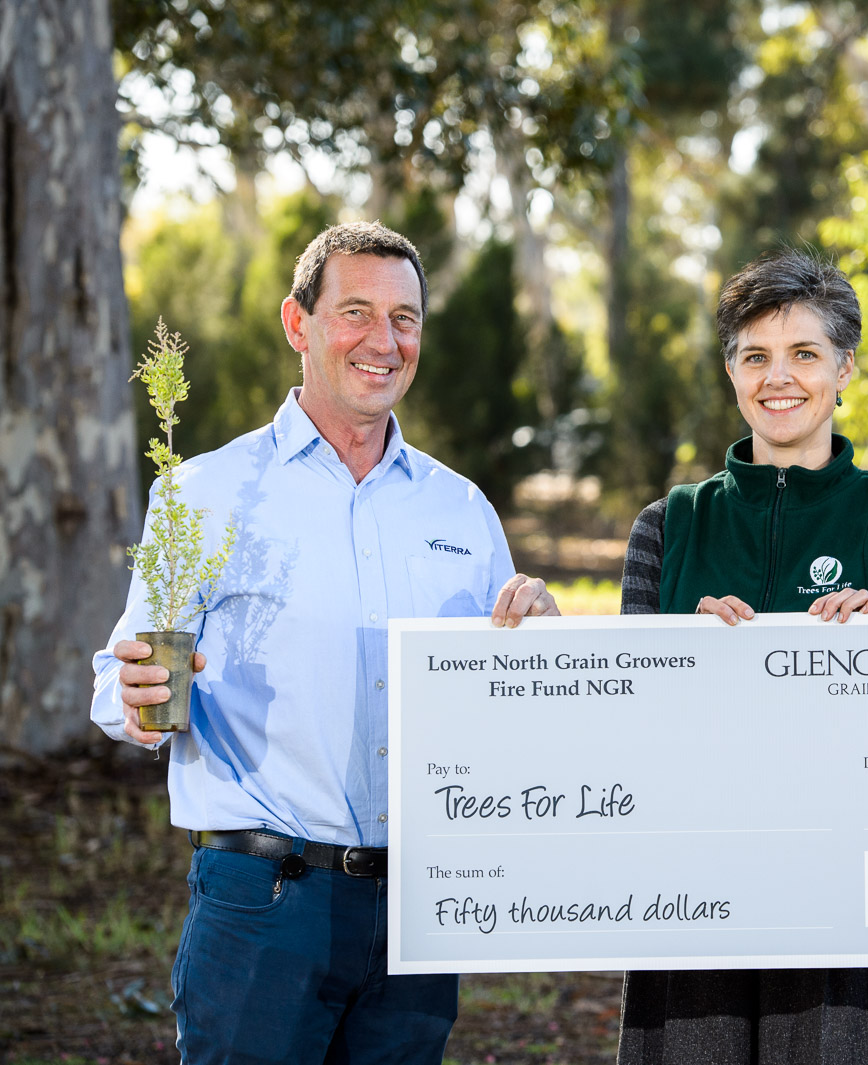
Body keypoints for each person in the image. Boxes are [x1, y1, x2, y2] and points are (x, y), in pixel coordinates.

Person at [90, 221, 558, 1065]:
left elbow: (500, 706)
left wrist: (543, 651)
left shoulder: (461, 509)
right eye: (357, 312)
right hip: (265, 905)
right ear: (297, 323)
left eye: (405, 318)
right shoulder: (205, 493)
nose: (385, 340)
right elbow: (122, 678)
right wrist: (134, 699)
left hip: (421, 907)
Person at [615, 250, 868, 1065]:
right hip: (690, 905)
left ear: (845, 367)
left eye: (805, 353)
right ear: (730, 371)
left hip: (845, 914)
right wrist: (676, 658)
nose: (779, 377)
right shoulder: (667, 526)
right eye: (755, 356)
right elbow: (623, 731)